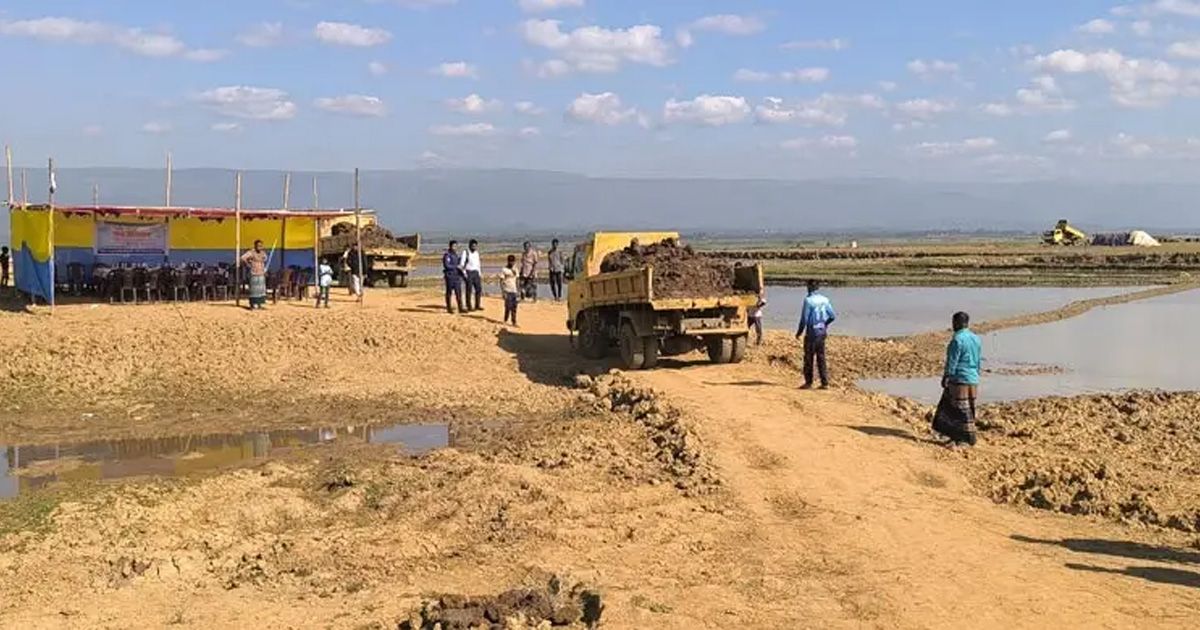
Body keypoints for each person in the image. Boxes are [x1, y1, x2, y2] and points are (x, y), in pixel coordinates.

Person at [933, 311, 982, 446]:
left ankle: (959, 437)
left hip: (959, 379)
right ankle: (968, 437)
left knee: (957, 409)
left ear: (957, 323)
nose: (952, 325)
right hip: (972, 378)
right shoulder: (976, 338)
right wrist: (976, 374)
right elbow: (978, 360)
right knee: (969, 408)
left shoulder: (957, 340)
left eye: (954, 323)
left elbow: (952, 361)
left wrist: (947, 376)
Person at [795, 280, 836, 389]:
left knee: (809, 358)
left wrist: (799, 332)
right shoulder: (824, 299)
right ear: (817, 288)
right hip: (821, 332)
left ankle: (809, 382)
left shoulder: (808, 300)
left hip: (812, 333)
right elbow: (832, 316)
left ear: (808, 287)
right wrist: (824, 324)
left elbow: (804, 319)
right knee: (821, 357)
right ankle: (824, 383)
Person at [240, 239, 268, 310]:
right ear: (255, 246)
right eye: (258, 246)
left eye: (261, 246)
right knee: (254, 290)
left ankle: (259, 304)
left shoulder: (262, 253)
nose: (259, 247)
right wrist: (248, 264)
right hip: (254, 273)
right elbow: (243, 258)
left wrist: (263, 261)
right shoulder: (251, 252)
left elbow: (265, 258)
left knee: (260, 290)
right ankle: (252, 305)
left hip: (261, 273)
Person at [442, 240, 466, 314]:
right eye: (453, 246)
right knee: (449, 292)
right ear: (450, 246)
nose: (455, 247)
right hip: (449, 276)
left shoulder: (456, 255)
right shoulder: (447, 255)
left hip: (457, 277)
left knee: (458, 293)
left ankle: (460, 308)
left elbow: (459, 264)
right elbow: (447, 265)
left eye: (456, 246)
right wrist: (456, 266)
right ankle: (449, 308)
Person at [460, 239, 483, 311]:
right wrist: (464, 274)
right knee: (469, 290)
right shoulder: (465, 252)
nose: (474, 247)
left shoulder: (476, 253)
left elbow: (478, 264)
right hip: (468, 272)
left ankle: (477, 305)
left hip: (476, 273)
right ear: (469, 246)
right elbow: (462, 264)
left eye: (475, 246)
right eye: (473, 246)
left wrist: (479, 273)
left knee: (478, 289)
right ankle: (469, 306)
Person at [498, 254, 519, 326]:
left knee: (514, 307)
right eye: (510, 261)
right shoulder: (504, 270)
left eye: (513, 261)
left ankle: (514, 321)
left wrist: (518, 290)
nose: (512, 263)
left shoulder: (515, 269)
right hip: (507, 290)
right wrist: (503, 291)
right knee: (508, 307)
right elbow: (501, 281)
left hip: (514, 290)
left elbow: (517, 280)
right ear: (508, 261)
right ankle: (505, 320)